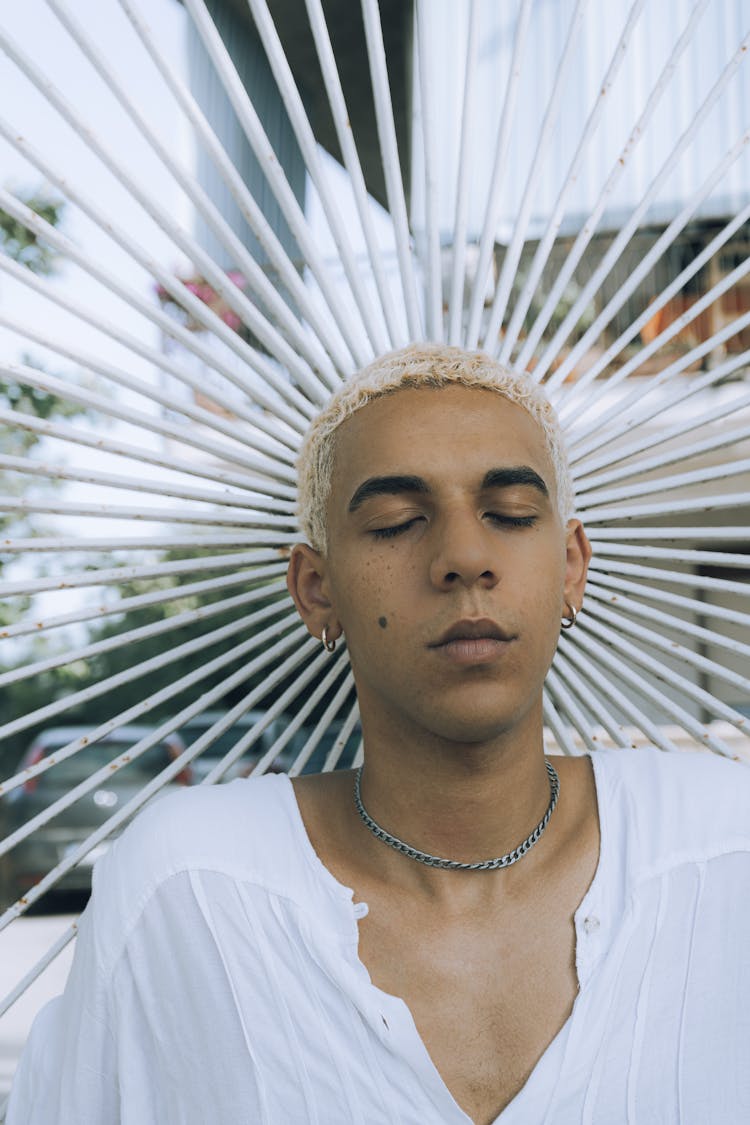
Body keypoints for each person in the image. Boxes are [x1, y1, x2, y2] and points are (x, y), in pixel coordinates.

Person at [7, 343, 750, 1124]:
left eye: (511, 515)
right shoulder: (191, 890)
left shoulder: (722, 855)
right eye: (397, 523)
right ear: (316, 587)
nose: (464, 557)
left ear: (571, 566)